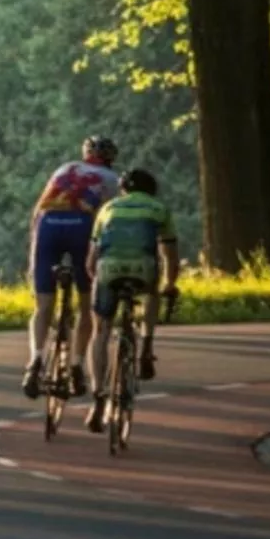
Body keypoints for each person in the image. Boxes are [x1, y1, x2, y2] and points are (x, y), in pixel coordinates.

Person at [22, 134, 121, 400]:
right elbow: (109, 219)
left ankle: (35, 362)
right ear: (111, 159)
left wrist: (34, 255)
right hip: (81, 226)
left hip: (47, 224)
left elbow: (37, 211)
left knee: (43, 306)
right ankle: (77, 366)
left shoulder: (64, 168)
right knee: (86, 305)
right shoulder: (111, 179)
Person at [84, 167, 180, 433]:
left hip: (108, 269)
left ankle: (98, 398)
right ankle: (146, 347)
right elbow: (170, 255)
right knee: (151, 291)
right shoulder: (159, 209)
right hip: (143, 269)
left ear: (123, 189)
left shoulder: (108, 209)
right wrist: (170, 285)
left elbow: (90, 261)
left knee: (100, 330)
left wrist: (98, 281)